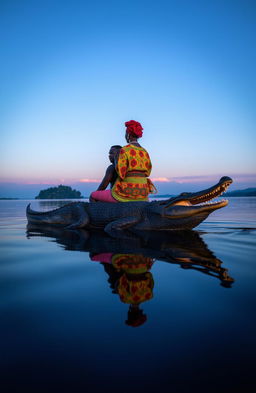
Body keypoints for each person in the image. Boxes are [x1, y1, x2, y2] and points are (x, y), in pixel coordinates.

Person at [90, 120, 156, 202]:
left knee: (93, 196)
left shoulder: (124, 150)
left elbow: (121, 173)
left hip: (127, 192)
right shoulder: (145, 152)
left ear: (128, 134)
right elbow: (148, 172)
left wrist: (116, 161)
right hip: (143, 193)